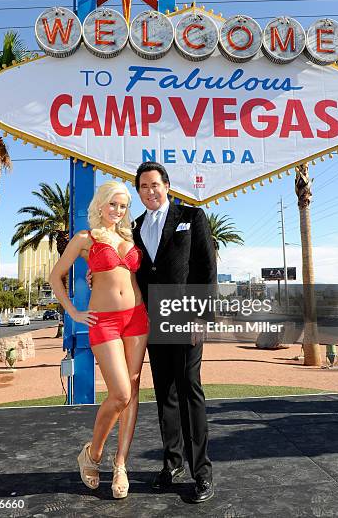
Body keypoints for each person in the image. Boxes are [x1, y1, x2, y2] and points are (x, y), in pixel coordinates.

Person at [49, 181, 149, 500]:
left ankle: (120, 464)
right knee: (119, 393)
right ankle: (92, 454)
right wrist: (74, 313)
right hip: (102, 321)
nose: (117, 211)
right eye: (113, 204)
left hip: (137, 318)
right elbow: (55, 276)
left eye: (123, 206)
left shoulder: (131, 237)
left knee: (132, 393)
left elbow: (143, 275)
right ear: (101, 204)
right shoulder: (84, 238)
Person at [133, 161, 217, 503]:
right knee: (164, 393)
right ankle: (173, 463)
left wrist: (201, 316)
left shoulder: (191, 217)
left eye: (155, 184)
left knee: (189, 390)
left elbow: (206, 266)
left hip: (185, 315)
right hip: (153, 319)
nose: (150, 191)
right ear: (138, 192)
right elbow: (135, 272)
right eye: (143, 187)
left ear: (166, 185)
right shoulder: (136, 225)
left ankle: (203, 473)